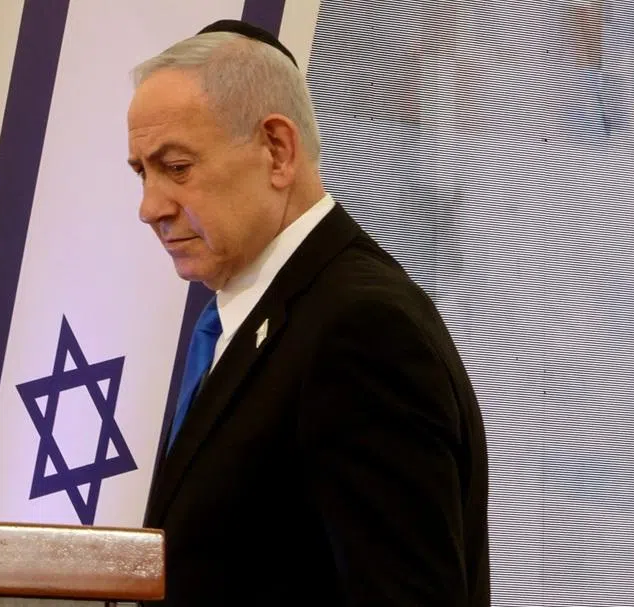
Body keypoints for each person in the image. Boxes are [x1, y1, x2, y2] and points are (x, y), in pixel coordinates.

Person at [126, 19, 490, 606]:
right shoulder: (258, 319)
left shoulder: (362, 330)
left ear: (277, 150)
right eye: (141, 172)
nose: (149, 207)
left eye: (176, 167)